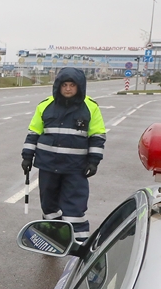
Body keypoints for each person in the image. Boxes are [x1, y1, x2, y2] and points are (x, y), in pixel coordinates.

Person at [21, 67, 106, 241]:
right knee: (49, 205)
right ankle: (52, 237)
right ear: (58, 86)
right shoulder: (45, 105)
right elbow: (33, 133)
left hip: (75, 168)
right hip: (47, 166)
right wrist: (27, 157)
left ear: (79, 86)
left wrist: (94, 161)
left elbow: (97, 136)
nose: (68, 89)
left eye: (72, 85)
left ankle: (80, 245)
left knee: (75, 207)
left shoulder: (90, 107)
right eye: (64, 85)